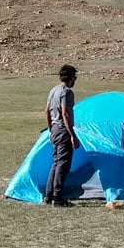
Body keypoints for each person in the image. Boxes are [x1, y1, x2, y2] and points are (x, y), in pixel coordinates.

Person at [43, 64, 80, 206]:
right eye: (74, 77)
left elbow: (46, 111)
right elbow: (65, 113)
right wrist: (72, 135)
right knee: (62, 165)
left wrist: (50, 129)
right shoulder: (67, 92)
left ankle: (48, 196)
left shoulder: (53, 90)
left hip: (55, 130)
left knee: (56, 163)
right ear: (71, 78)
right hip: (64, 130)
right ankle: (57, 197)